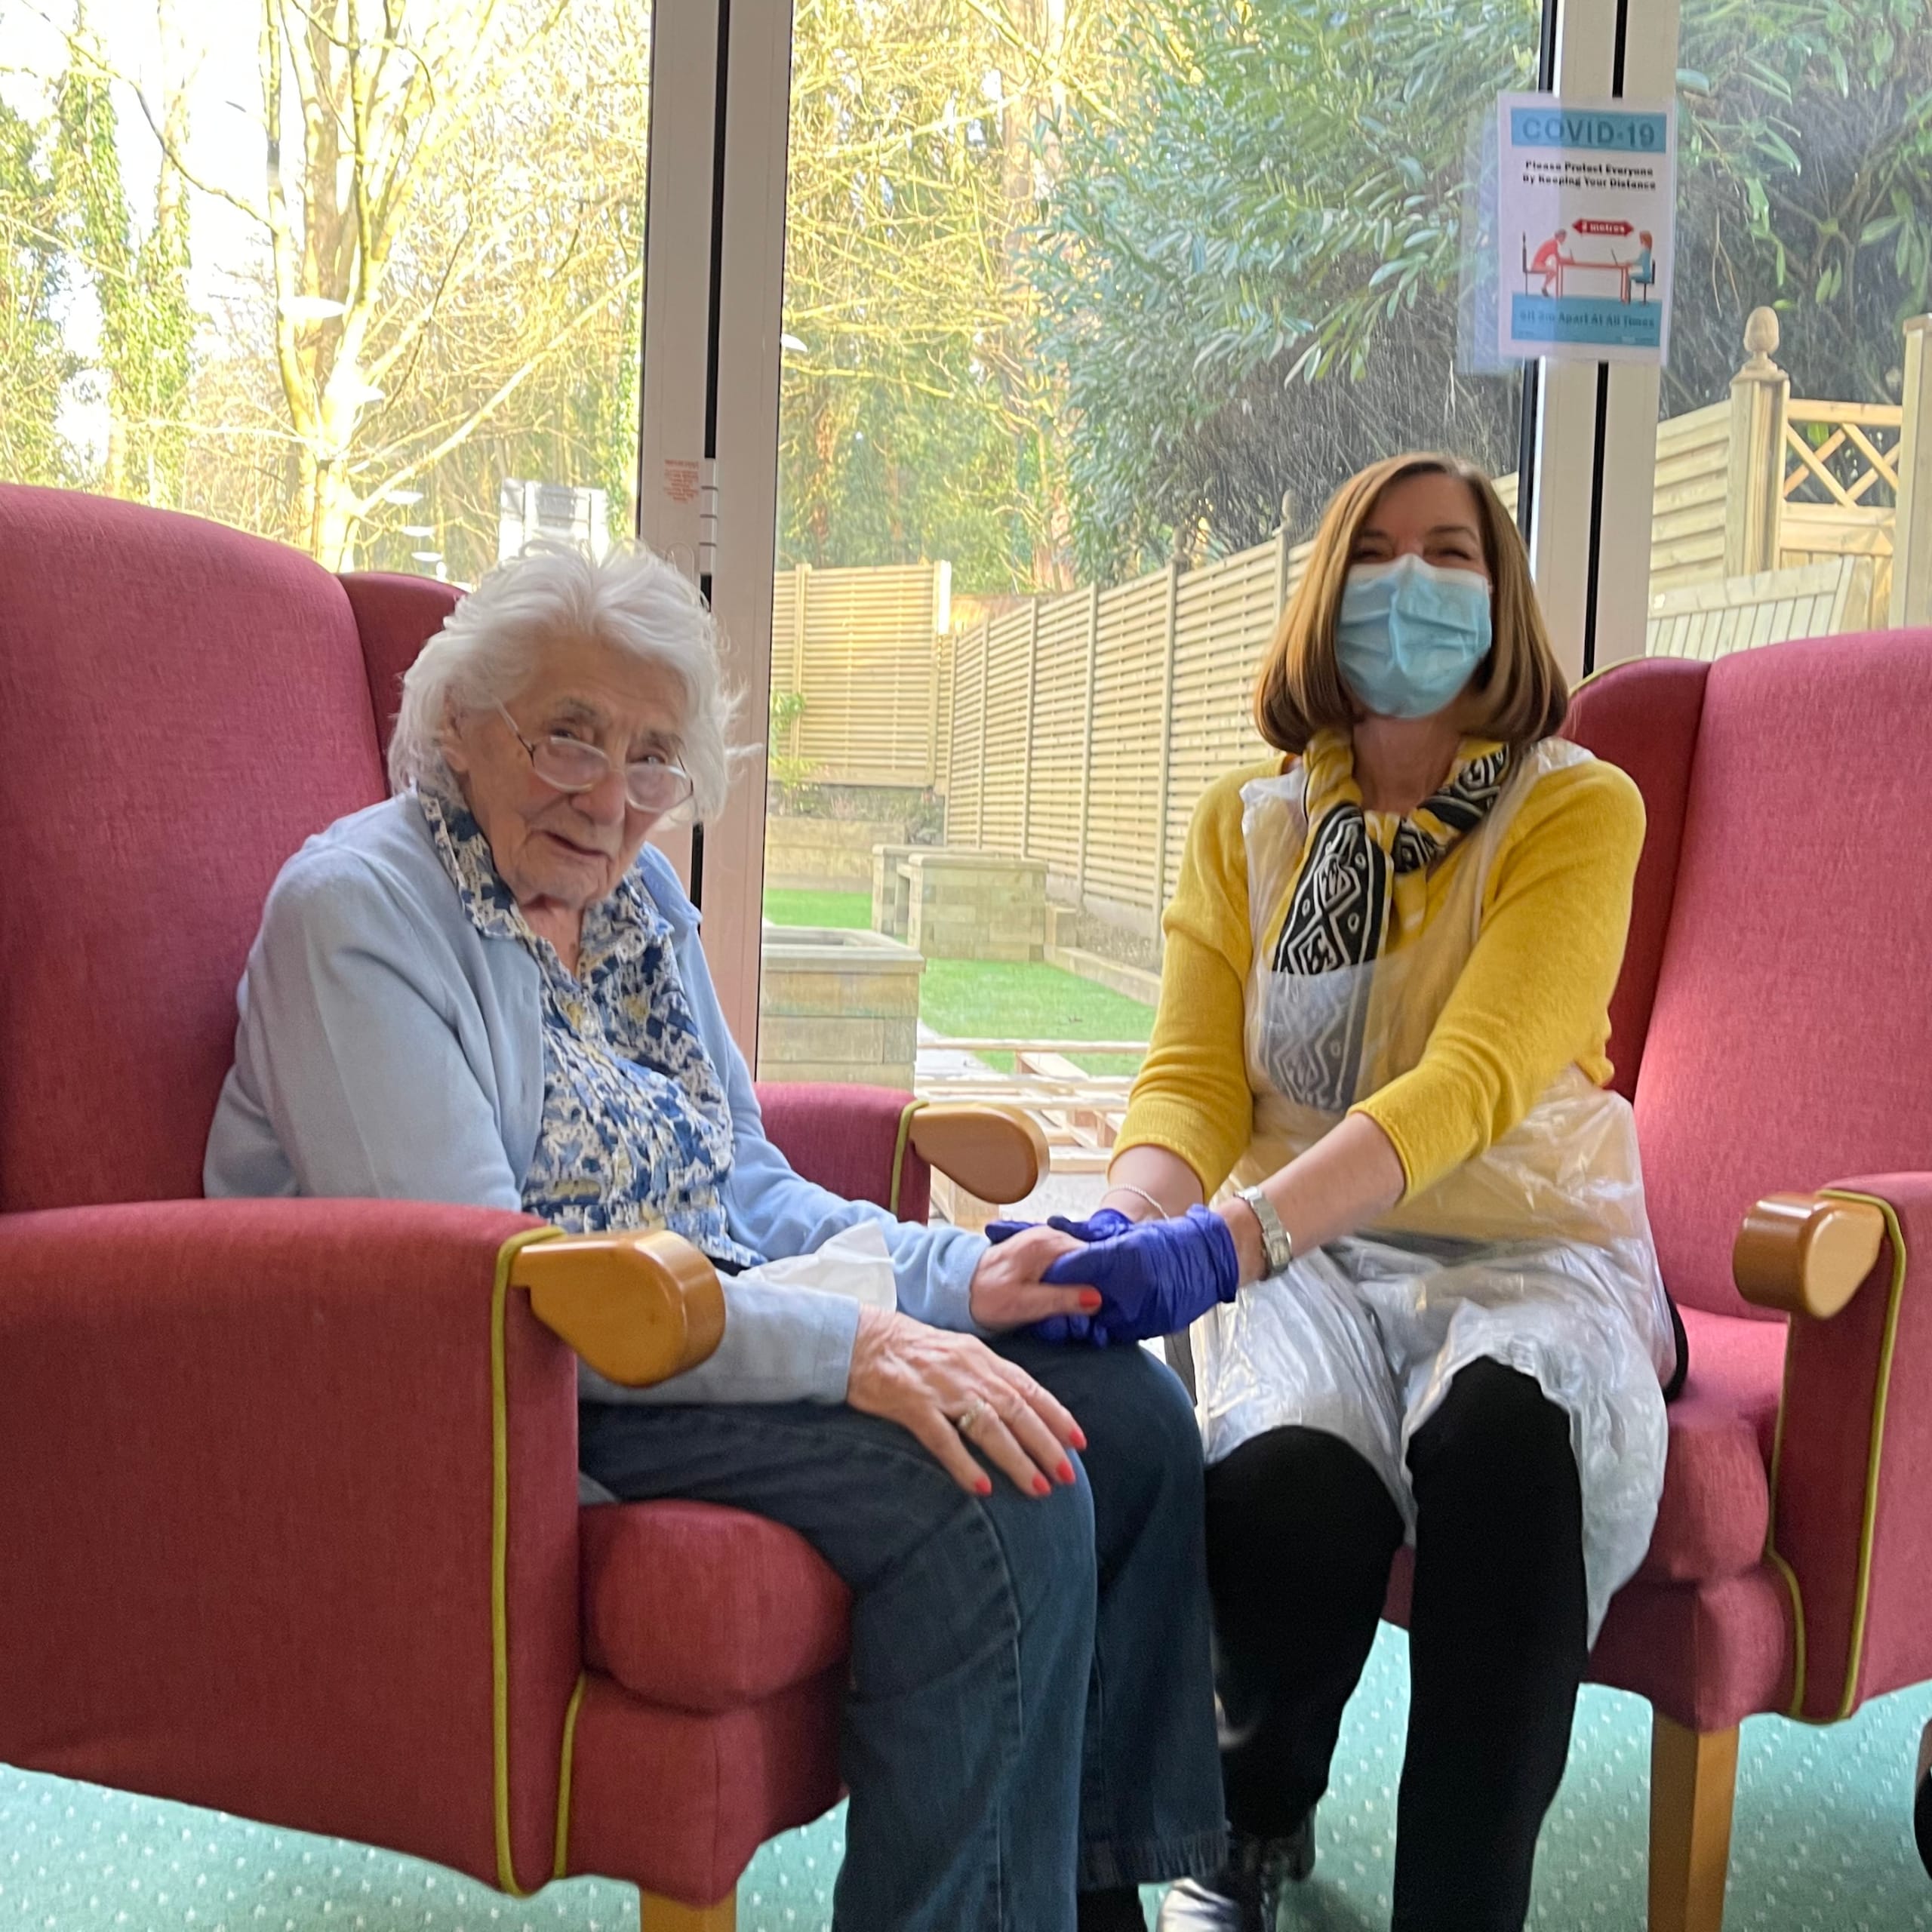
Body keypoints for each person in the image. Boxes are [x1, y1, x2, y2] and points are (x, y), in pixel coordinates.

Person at [203, 543, 1224, 1932]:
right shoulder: (360, 916)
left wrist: (963, 1278)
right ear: (458, 724)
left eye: (651, 758)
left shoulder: (636, 911)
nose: (611, 797)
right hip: (523, 1397)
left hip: (694, 1334)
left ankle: (1083, 1901)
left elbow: (743, 1185)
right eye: (569, 735)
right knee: (1002, 1492)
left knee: (1135, 1417)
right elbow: (485, 1288)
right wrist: (851, 1347)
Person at [1018, 454, 1682, 1932]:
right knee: (1282, 1489)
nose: (1409, 582)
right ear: (1322, 595)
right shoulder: (1243, 827)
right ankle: (1245, 1825)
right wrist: (1131, 1222)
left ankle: (1462, 1902)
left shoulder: (1578, 808)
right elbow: (1193, 1082)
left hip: (1523, 1243)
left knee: (1512, 1451)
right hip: (1308, 1263)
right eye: (1373, 551)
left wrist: (1228, 1234)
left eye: (1448, 551)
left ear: (1499, 596)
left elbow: (1474, 1076)